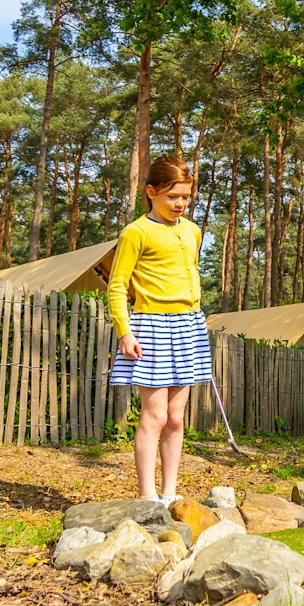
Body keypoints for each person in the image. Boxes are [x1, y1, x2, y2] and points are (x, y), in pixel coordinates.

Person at [108, 155, 211, 506]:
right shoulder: (135, 232)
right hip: (151, 325)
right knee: (154, 416)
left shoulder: (192, 231)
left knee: (176, 418)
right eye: (172, 196)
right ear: (151, 192)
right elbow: (117, 286)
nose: (180, 203)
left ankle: (169, 492)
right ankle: (147, 496)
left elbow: (190, 274)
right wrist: (125, 331)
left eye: (185, 197)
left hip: (188, 324)